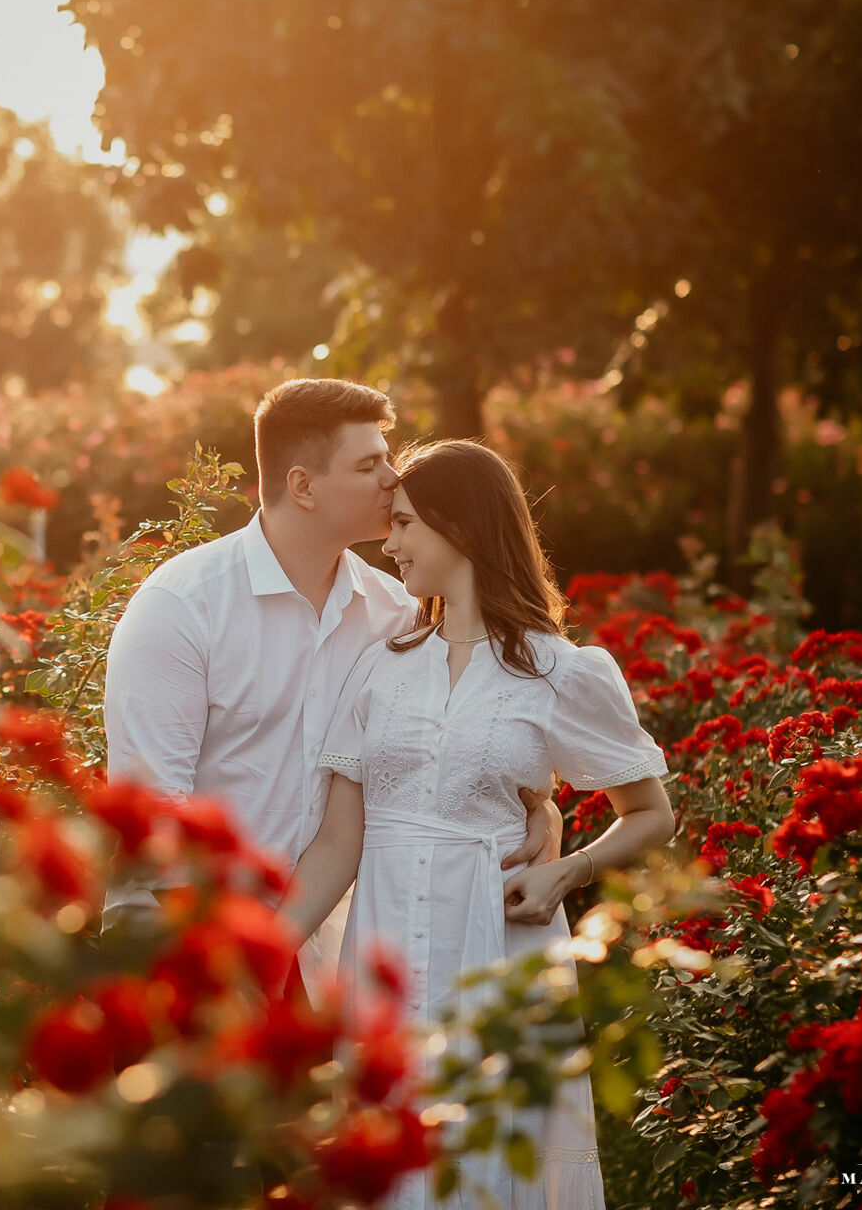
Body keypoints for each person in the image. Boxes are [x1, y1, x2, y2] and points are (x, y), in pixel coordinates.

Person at [279, 439, 677, 1210]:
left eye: (402, 524)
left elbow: (652, 814)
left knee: (492, 1162)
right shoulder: (381, 665)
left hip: (499, 951)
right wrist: (257, 952)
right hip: (384, 955)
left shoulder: (561, 670)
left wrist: (567, 868)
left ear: (458, 525)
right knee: (389, 1160)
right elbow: (338, 843)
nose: (388, 544)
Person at [103, 381, 560, 982]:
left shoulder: (395, 614)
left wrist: (541, 812)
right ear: (302, 486)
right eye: (369, 464)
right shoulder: (183, 607)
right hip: (179, 944)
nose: (393, 479)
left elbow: (458, 745)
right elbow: (154, 814)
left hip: (321, 949)